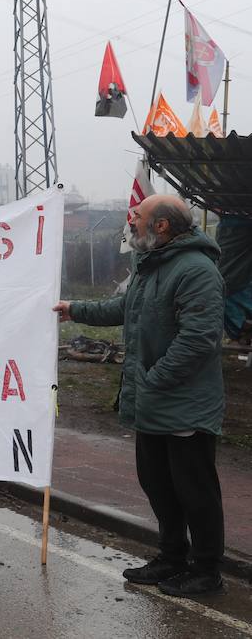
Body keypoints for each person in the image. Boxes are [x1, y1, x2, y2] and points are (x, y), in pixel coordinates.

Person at [54, 194, 225, 598]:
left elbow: (199, 339)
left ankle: (206, 570)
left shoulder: (196, 270)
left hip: (184, 405)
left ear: (161, 226)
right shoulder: (151, 266)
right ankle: (171, 557)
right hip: (153, 400)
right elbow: (125, 308)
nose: (131, 221)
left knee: (195, 489)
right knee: (158, 484)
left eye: (139, 216)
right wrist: (74, 309)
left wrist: (154, 378)